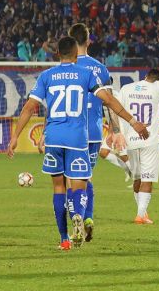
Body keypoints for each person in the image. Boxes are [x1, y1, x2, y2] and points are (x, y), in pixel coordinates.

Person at [7, 35, 149, 249]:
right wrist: (133, 122)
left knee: (58, 187)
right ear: (76, 55)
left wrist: (15, 136)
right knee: (79, 185)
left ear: (57, 54)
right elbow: (109, 100)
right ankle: (78, 216)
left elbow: (29, 108)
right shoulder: (86, 74)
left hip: (54, 137)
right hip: (77, 138)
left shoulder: (46, 76)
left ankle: (64, 240)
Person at [116, 55, 159, 224]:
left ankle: (142, 213)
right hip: (149, 139)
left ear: (145, 76)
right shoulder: (158, 87)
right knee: (147, 178)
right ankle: (140, 214)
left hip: (131, 139)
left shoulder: (126, 88)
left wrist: (118, 132)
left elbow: (117, 109)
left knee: (137, 178)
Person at [70, 22, 109, 241]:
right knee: (86, 177)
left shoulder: (65, 68)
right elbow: (109, 101)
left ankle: (77, 216)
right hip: (94, 133)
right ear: (88, 41)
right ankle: (89, 218)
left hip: (70, 131)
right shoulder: (100, 68)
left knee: (70, 180)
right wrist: (116, 129)